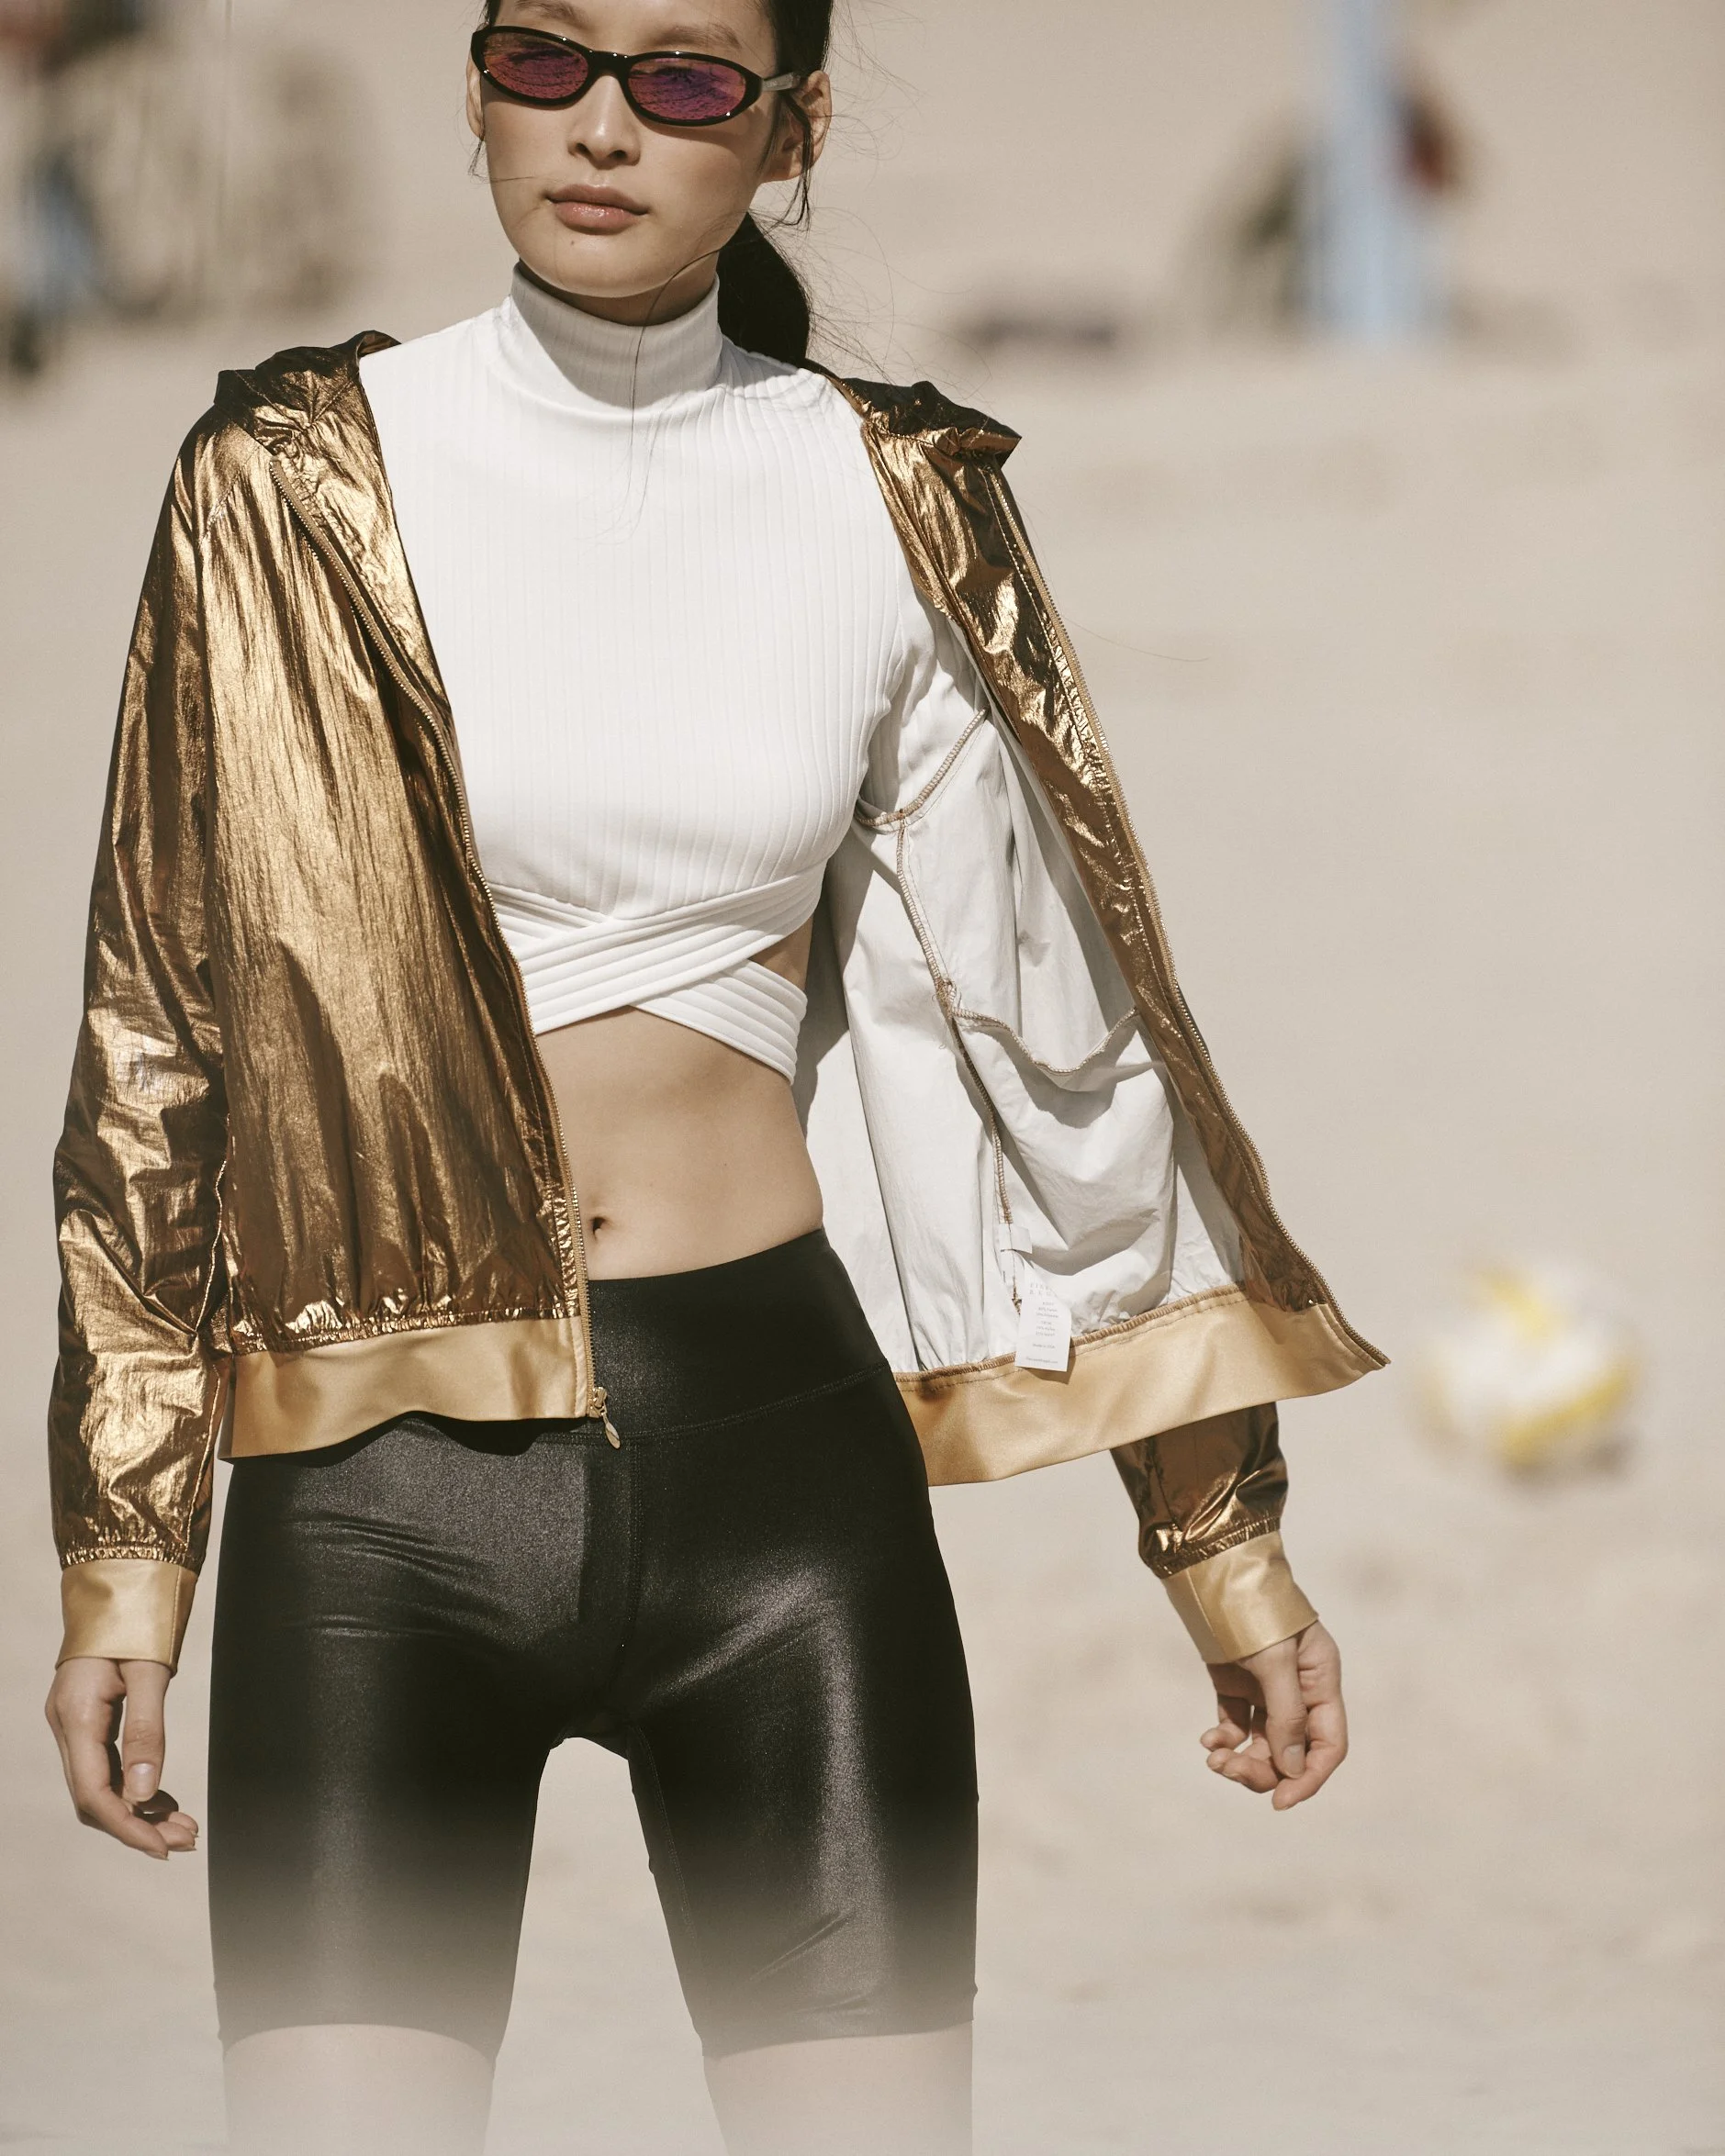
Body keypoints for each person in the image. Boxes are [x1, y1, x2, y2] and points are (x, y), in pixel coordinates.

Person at [41, 3, 1383, 2150]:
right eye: (544, 57)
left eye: (682, 78)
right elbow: (158, 1042)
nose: (599, 125)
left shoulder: (891, 493)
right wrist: (128, 1546)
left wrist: (1216, 1535)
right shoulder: (282, 484)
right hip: (373, 1507)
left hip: (781, 1487)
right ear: (473, 81)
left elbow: (1071, 1044)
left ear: (790, 126)